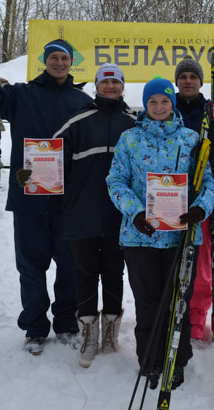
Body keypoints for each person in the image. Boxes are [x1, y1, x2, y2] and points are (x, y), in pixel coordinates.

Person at [0, 36, 92, 356]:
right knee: (31, 267)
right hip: (29, 198)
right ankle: (35, 326)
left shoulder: (82, 101)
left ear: (71, 63)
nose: (59, 63)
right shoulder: (22, 95)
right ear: (44, 61)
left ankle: (66, 323)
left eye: (64, 58)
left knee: (70, 265)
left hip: (67, 200)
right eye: (54, 58)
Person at [107, 77, 214, 391]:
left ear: (173, 103)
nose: (158, 107)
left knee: (176, 301)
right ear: (146, 104)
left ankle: (176, 359)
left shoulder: (191, 139)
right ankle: (150, 360)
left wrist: (200, 208)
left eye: (164, 101)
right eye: (152, 102)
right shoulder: (130, 138)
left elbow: (207, 182)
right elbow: (115, 181)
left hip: (181, 237)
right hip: (139, 235)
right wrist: (136, 212)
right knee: (148, 301)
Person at [52, 63, 137, 368]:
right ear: (97, 86)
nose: (111, 87)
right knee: (85, 274)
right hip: (82, 214)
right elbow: (50, 156)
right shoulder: (79, 120)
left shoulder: (134, 122)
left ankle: (110, 334)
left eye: (116, 82)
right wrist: (32, 173)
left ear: (122, 86)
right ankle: (89, 333)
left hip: (121, 217)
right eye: (106, 82)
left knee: (114, 273)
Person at [173, 56, 214, 342]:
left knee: (200, 266)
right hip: (168, 197)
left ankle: (196, 320)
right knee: (167, 263)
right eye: (183, 77)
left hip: (201, 201)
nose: (187, 81)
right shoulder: (162, 107)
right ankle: (171, 314)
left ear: (200, 82)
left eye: (192, 77)